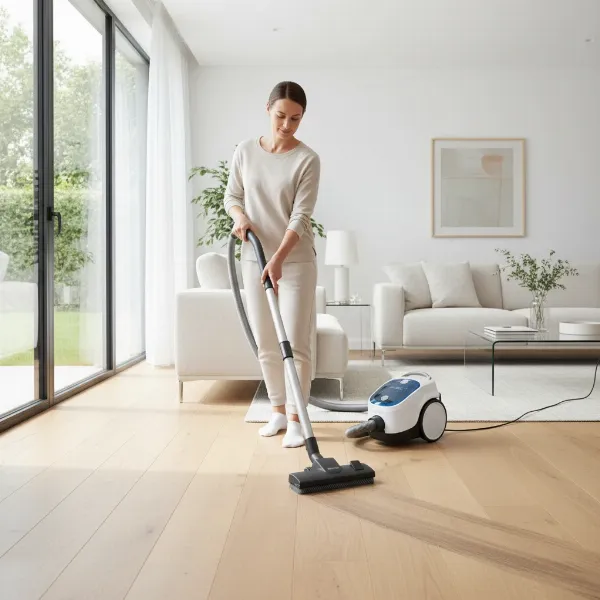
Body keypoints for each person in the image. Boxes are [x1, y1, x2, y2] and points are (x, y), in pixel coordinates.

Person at [223, 81, 320, 448]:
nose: (287, 125)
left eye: (295, 119)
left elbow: (301, 216)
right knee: (266, 341)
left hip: (294, 261)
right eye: (281, 116)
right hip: (254, 257)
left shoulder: (307, 159)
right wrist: (239, 217)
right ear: (268, 109)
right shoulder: (246, 151)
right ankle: (277, 411)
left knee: (295, 343)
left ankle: (297, 418)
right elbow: (232, 195)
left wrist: (278, 259)